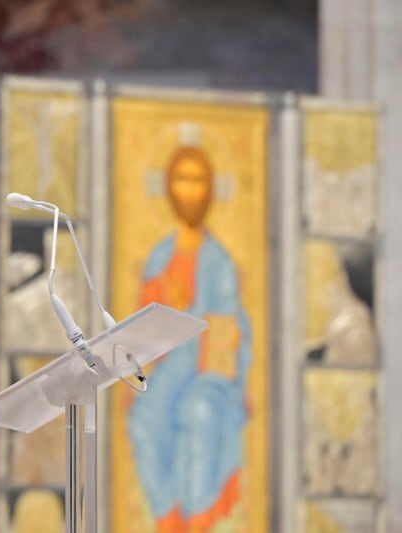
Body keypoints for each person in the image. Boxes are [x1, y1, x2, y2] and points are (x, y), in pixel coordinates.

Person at [126, 141, 251, 532]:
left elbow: (227, 330)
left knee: (198, 414)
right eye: (181, 179)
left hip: (210, 375)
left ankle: (198, 520)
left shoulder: (219, 262)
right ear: (168, 188)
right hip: (169, 370)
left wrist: (194, 319)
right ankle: (168, 519)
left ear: (211, 189)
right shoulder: (159, 257)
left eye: (198, 180)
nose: (190, 190)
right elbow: (141, 331)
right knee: (143, 419)